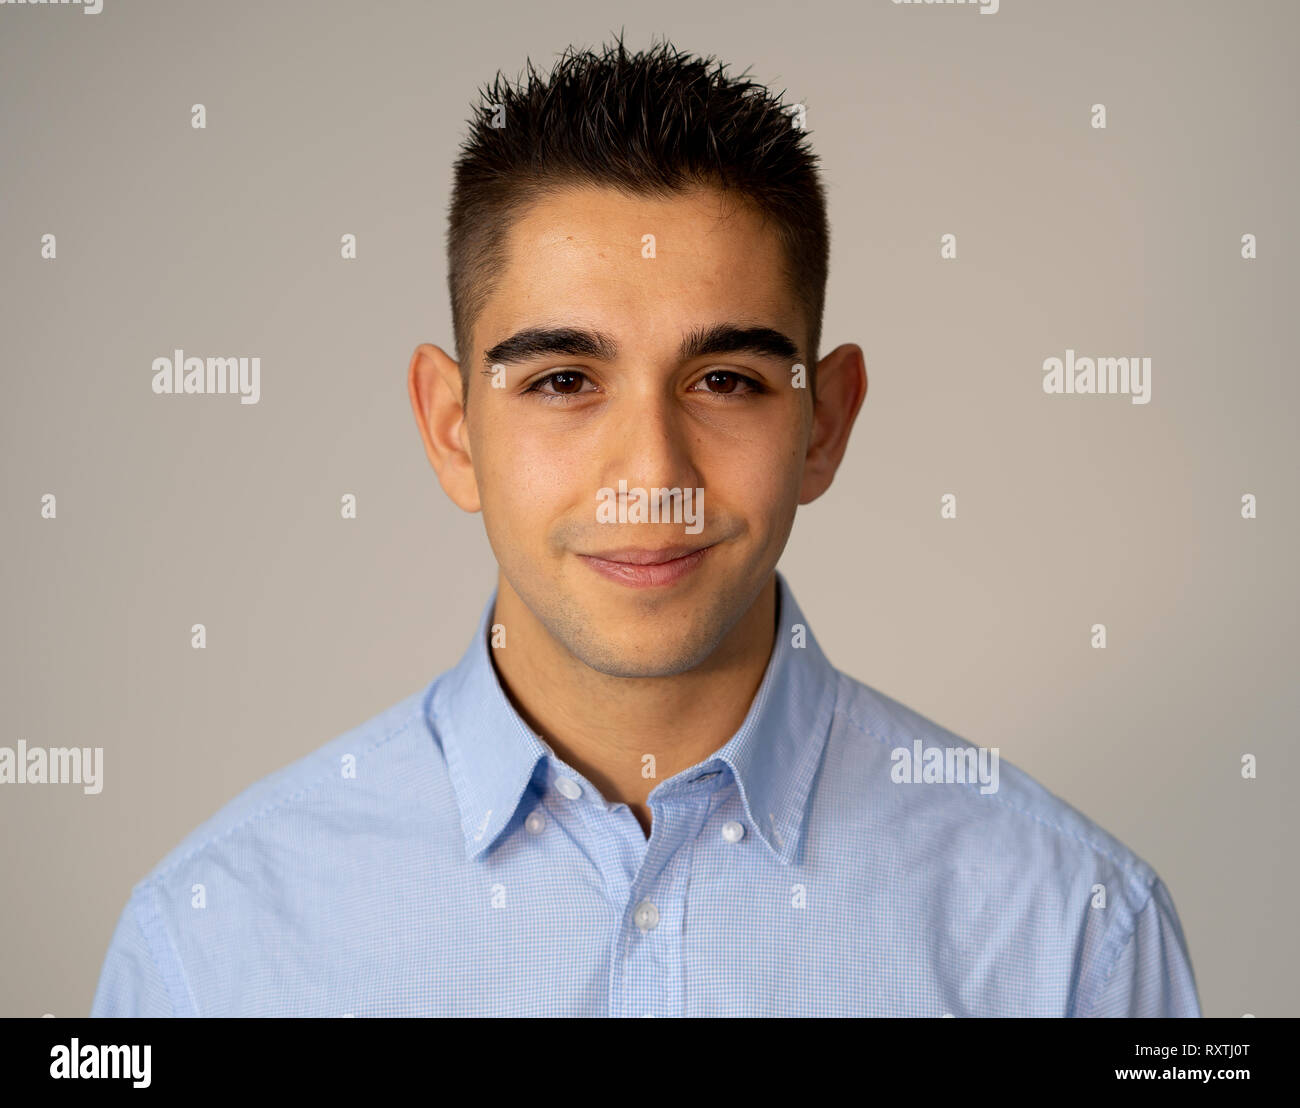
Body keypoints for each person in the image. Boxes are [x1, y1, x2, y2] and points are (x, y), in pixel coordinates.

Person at [91, 38, 1200, 1017]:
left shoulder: (1075, 941)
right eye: (565, 378)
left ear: (826, 421)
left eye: (723, 378)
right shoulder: (210, 947)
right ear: (451, 427)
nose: (652, 473)